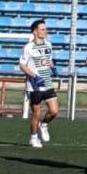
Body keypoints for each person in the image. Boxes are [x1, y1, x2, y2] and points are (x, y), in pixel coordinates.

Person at [18, 19, 58, 148]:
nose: (46, 31)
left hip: (47, 82)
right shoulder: (28, 47)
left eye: (46, 29)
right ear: (35, 31)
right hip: (34, 85)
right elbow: (22, 65)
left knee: (54, 111)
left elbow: (48, 60)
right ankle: (33, 138)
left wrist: (53, 67)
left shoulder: (48, 45)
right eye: (43, 29)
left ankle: (44, 125)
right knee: (36, 114)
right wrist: (33, 76)